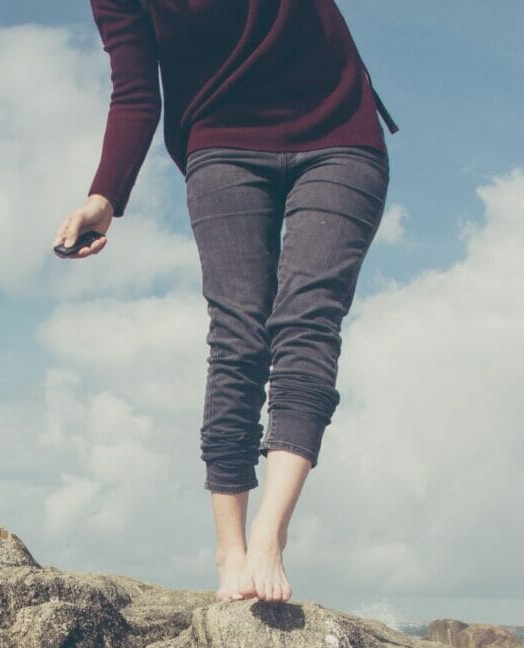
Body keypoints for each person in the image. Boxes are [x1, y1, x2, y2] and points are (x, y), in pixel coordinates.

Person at [55, 0, 396, 604]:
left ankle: (270, 534)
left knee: (308, 320)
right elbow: (136, 93)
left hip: (339, 131)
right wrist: (104, 196)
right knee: (238, 335)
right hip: (222, 144)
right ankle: (230, 548)